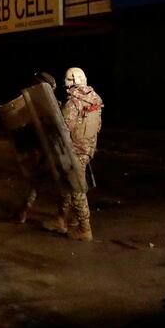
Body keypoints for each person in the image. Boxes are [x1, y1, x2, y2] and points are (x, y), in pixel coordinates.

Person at [43, 67, 103, 241]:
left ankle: (84, 228)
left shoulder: (73, 103)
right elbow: (97, 126)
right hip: (88, 148)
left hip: (75, 150)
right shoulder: (95, 98)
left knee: (76, 188)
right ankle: (62, 219)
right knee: (67, 184)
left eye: (67, 82)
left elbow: (64, 128)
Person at [16, 71, 58, 224]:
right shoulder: (34, 104)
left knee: (39, 182)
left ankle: (24, 211)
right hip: (42, 148)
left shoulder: (33, 103)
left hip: (48, 148)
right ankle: (25, 211)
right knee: (43, 181)